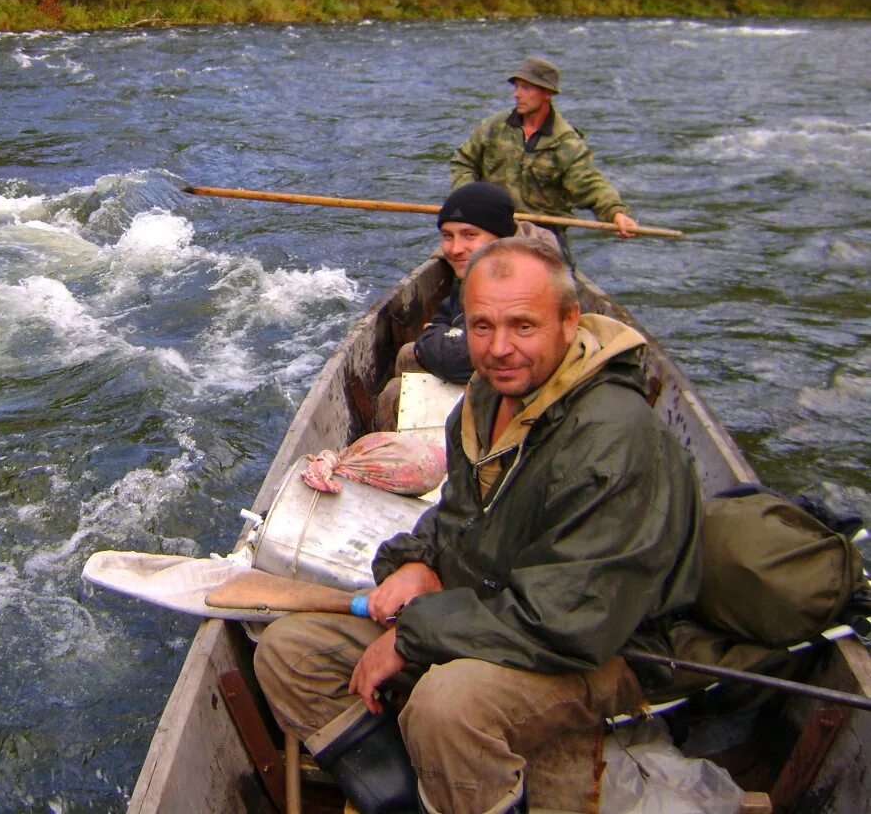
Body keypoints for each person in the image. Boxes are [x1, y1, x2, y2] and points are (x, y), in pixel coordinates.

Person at [255, 237, 702, 814]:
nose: (499, 348)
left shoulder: (613, 440)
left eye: (523, 326)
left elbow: (573, 621)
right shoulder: (489, 397)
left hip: (606, 651)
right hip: (493, 610)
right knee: (290, 652)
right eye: (482, 326)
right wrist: (415, 561)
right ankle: (410, 802)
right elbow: (458, 516)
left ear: (569, 322)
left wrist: (414, 633)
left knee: (448, 708)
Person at [373, 181, 557, 431]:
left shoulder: (524, 282)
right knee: (407, 357)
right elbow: (443, 317)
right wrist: (436, 338)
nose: (456, 249)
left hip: (526, 396)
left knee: (398, 387)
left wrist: (432, 341)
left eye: (470, 235)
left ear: (501, 237)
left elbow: (467, 359)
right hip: (476, 371)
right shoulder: (479, 268)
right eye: (448, 236)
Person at [450, 57, 640, 261]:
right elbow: (463, 163)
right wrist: (470, 203)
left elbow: (590, 184)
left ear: (547, 93)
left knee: (555, 279)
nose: (517, 94)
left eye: (526, 88)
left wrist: (615, 213)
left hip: (542, 235)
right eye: (516, 87)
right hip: (493, 227)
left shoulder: (566, 142)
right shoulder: (494, 127)